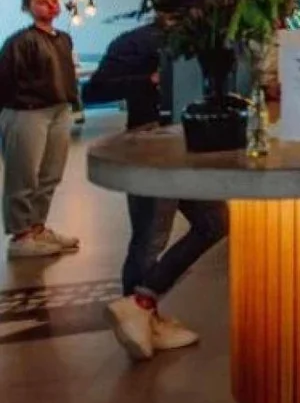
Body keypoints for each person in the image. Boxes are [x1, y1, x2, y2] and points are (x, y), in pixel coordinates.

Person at [83, 22, 228, 360]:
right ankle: (139, 320)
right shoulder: (136, 41)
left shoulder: (206, 36)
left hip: (194, 144)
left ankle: (140, 305)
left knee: (215, 221)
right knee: (150, 237)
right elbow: (94, 91)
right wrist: (148, 82)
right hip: (151, 144)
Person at [1, 0, 81, 259]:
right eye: (42, 2)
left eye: (54, 1)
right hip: (27, 112)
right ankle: (20, 235)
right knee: (23, 174)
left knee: (50, 173)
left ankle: (37, 227)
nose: (50, 6)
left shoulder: (64, 39)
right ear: (28, 7)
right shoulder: (19, 42)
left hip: (59, 110)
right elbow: (7, 80)